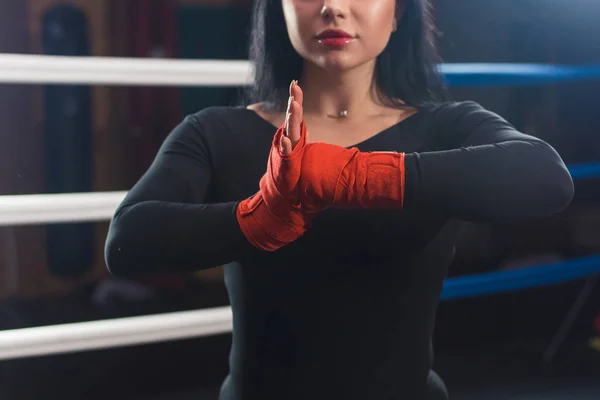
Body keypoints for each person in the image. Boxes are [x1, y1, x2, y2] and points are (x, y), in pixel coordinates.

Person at [105, 0, 574, 398]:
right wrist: (262, 218)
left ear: (397, 14)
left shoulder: (446, 128)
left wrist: (358, 176)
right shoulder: (215, 132)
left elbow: (546, 177)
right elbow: (129, 239)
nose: (333, 6)